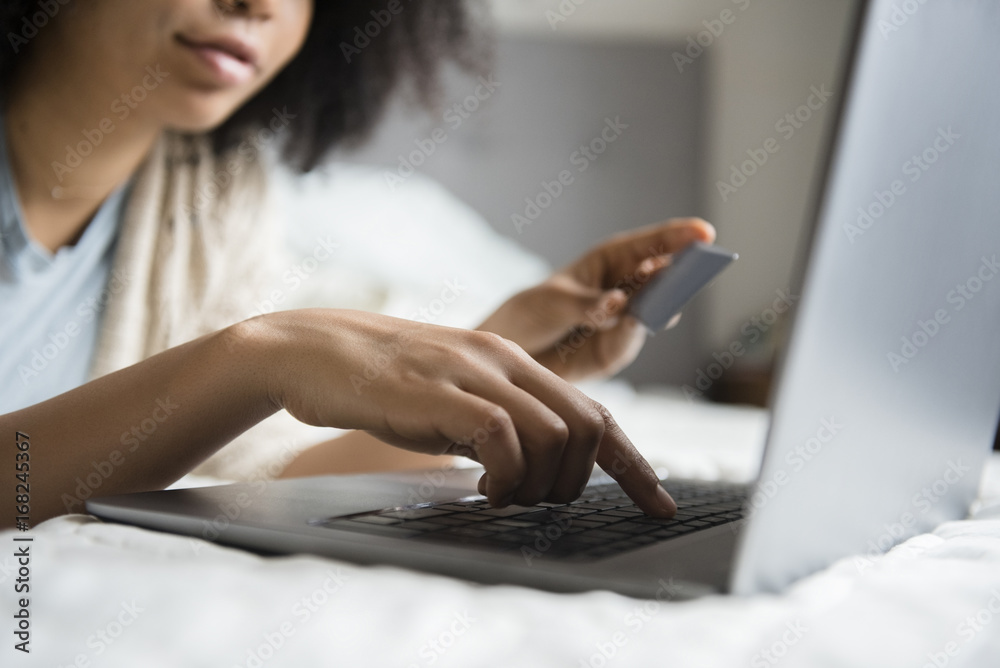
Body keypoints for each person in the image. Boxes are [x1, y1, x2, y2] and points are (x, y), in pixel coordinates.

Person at [0, 0, 715, 528]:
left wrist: (515, 363)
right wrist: (260, 357)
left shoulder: (216, 192)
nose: (258, 8)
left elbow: (246, 471)